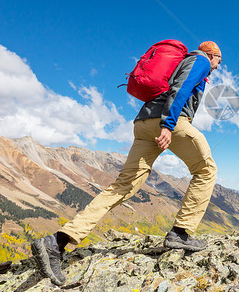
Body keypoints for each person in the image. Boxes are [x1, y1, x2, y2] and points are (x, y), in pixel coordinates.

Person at [31, 41, 222, 286]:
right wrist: (168, 124)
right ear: (212, 54)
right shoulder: (201, 61)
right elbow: (181, 87)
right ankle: (181, 233)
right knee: (206, 170)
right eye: (219, 60)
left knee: (122, 187)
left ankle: (57, 242)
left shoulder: (187, 61)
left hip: (143, 123)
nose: (218, 66)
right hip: (168, 121)